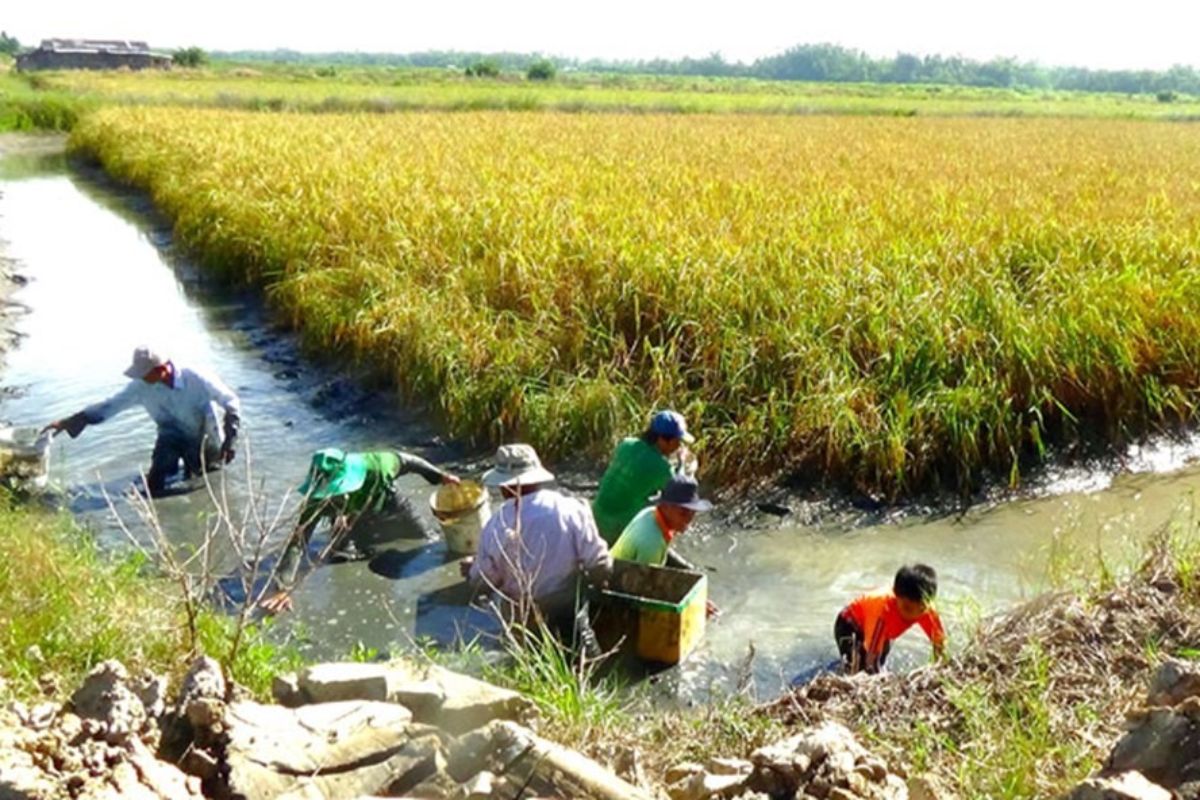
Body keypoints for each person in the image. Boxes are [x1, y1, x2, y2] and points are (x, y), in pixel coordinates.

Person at [259, 447, 460, 614]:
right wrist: (282, 588)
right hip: (349, 518)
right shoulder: (316, 502)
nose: (338, 495)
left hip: (388, 502)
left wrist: (439, 476)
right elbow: (298, 541)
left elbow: (409, 461)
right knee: (343, 558)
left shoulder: (377, 465)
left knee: (426, 540)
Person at [43, 346, 240, 497]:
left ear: (162, 369)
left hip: (205, 435)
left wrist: (231, 438)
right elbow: (110, 406)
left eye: (145, 375)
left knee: (208, 480)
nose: (141, 379)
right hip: (169, 436)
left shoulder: (196, 377)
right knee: (154, 485)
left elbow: (230, 400)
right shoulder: (140, 387)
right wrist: (71, 421)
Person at [466, 444, 612, 638]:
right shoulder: (571, 508)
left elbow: (482, 582)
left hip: (524, 614)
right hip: (567, 608)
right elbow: (600, 563)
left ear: (504, 486)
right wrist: (600, 588)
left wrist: (471, 570)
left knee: (523, 656)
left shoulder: (495, 526)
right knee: (583, 650)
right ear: (537, 478)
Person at [592, 410, 696, 545]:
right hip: (617, 530)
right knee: (670, 507)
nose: (679, 446)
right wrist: (682, 463)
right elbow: (679, 489)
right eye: (678, 442)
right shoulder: (661, 467)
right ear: (662, 440)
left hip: (595, 517)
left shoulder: (626, 443)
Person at [835, 564, 946, 674]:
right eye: (907, 608)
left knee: (881, 662)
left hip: (884, 630)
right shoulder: (884, 610)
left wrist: (938, 669)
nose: (915, 615)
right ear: (895, 596)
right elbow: (871, 658)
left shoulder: (927, 610)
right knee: (856, 667)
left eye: (921, 609)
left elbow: (939, 643)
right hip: (850, 624)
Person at [610, 474, 711, 568]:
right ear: (665, 507)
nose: (689, 519)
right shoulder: (652, 544)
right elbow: (644, 582)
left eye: (693, 512)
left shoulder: (650, 512)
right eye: (683, 512)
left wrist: (686, 567)